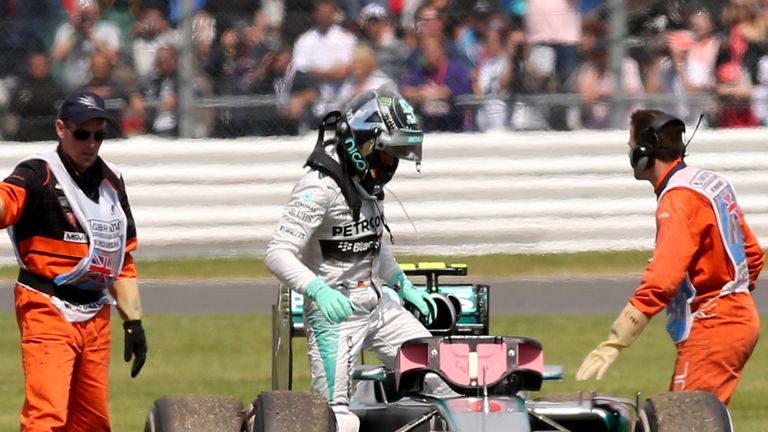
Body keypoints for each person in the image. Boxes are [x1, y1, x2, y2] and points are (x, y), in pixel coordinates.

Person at [265, 89, 436, 432]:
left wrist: (402, 284)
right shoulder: (318, 187)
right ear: (365, 144)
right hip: (335, 318)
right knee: (337, 420)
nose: (393, 164)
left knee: (444, 379)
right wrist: (318, 291)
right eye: (390, 154)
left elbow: (373, 242)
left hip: (381, 308)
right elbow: (277, 252)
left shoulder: (367, 184)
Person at [576, 109, 764, 405]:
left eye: (631, 142)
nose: (629, 149)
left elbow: (663, 279)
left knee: (683, 421)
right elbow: (752, 255)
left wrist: (617, 339)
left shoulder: (677, 199)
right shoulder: (709, 182)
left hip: (713, 324)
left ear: (644, 150)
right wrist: (733, 298)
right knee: (691, 417)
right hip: (734, 318)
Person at [0, 90, 148, 430]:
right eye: (82, 133)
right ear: (61, 129)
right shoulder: (38, 172)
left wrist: (133, 322)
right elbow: (7, 202)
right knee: (47, 415)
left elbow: (121, 257)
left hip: (96, 312)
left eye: (99, 135)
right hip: (46, 305)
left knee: (92, 421)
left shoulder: (113, 180)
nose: (91, 143)